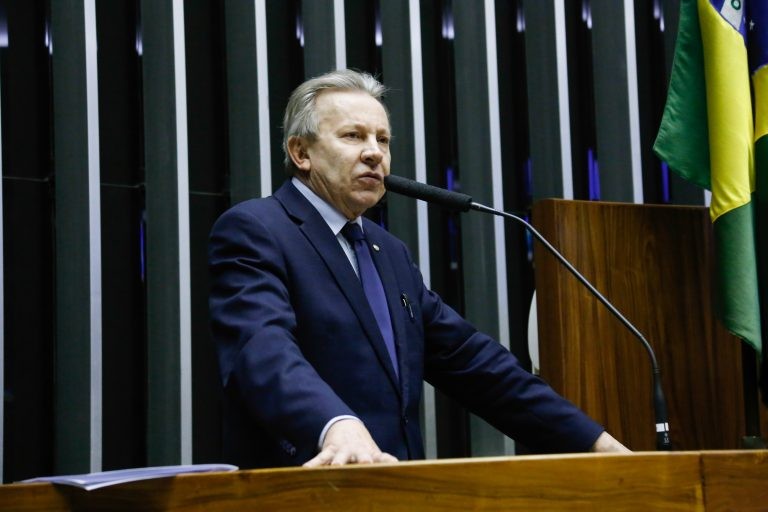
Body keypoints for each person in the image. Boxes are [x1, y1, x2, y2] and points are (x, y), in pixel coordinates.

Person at [208, 69, 628, 469]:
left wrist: (594, 442)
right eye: (353, 136)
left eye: (383, 140)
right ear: (302, 153)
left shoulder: (387, 251)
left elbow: (476, 366)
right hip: (304, 485)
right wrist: (334, 425)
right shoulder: (257, 229)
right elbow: (261, 349)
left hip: (398, 485)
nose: (374, 152)